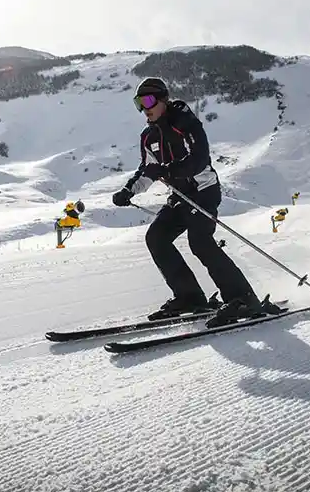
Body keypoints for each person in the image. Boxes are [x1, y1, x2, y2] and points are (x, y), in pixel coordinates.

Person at [111, 77, 283, 327]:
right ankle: (189, 297)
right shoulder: (148, 137)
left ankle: (242, 298)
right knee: (156, 238)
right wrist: (129, 191)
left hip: (203, 190)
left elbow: (199, 159)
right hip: (179, 196)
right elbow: (148, 169)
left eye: (148, 100)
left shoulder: (185, 123)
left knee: (200, 242)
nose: (144, 107)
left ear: (163, 99)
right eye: (138, 102)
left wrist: (169, 172)